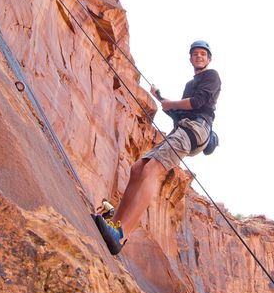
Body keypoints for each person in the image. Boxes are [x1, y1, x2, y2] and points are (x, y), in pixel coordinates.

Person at [93, 40, 221, 255]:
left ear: (209, 59)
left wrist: (171, 104)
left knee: (151, 171)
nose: (199, 56)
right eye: (195, 54)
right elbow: (178, 112)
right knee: (137, 169)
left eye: (203, 54)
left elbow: (198, 103)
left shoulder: (212, 76)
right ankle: (114, 225)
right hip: (183, 127)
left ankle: (121, 236)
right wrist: (160, 97)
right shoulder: (190, 84)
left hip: (196, 130)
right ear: (190, 58)